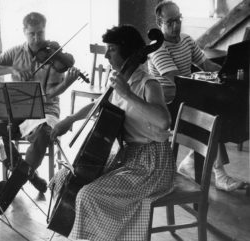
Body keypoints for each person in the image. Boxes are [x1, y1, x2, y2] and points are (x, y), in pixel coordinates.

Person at [48, 25, 175, 240]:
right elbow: (97, 104)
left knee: (89, 195)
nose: (106, 54)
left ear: (128, 51)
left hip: (152, 163)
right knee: (64, 178)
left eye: (112, 49)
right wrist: (69, 120)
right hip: (126, 157)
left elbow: (164, 122)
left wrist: (128, 95)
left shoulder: (149, 84)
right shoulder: (120, 79)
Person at [0, 12, 80, 214]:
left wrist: (66, 83)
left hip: (47, 109)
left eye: (40, 33)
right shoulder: (16, 52)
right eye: (32, 34)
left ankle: (10, 188)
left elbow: (51, 94)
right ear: (24, 32)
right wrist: (12, 68)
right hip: (19, 108)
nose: (37, 39)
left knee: (43, 135)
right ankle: (32, 177)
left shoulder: (55, 55)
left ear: (45, 29)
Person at [148, 0, 243, 191]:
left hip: (187, 97)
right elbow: (177, 79)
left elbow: (206, 65)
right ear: (159, 23)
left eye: (178, 20)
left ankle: (195, 162)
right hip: (167, 105)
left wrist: (226, 74)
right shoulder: (158, 48)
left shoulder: (187, 40)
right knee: (211, 113)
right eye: (170, 22)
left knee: (217, 112)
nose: (176, 26)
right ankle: (219, 175)